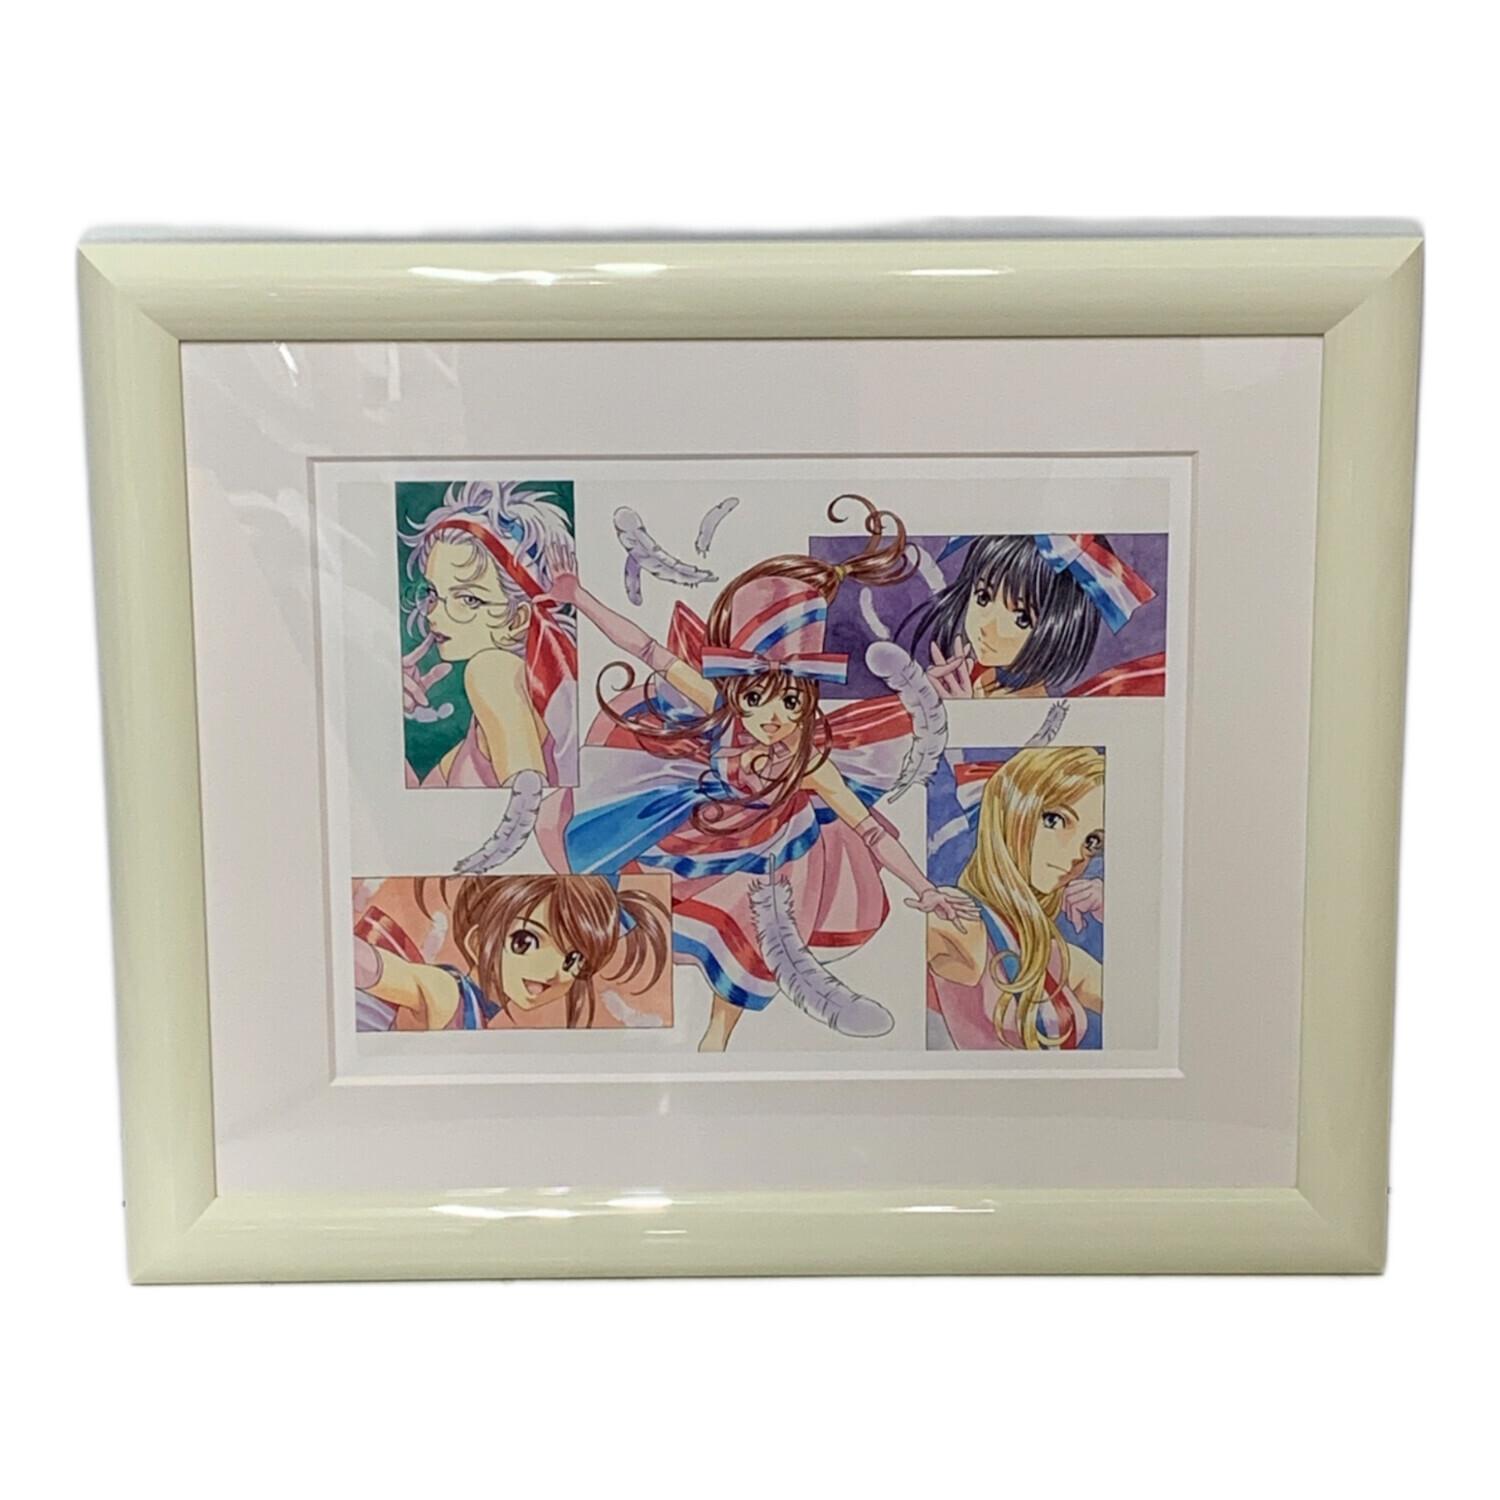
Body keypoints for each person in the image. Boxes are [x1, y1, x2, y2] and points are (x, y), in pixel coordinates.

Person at [552, 495, 979, 1051]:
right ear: (737, 691)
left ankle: (719, 1031)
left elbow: (872, 832)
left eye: (791, 701)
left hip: (775, 852)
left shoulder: (810, 760)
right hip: (698, 825)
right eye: (757, 698)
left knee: (754, 914)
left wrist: (925, 888)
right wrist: (579, 598)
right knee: (628, 884)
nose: (772, 717)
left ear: (808, 701)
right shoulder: (716, 706)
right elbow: (645, 647)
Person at [926, 746, 1106, 1050]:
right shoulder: (964, 923)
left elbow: (1144, 1010)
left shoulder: (1055, 955)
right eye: (1055, 820)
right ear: (1012, 813)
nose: (1078, 855)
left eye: (1092, 841)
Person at [401, 481, 579, 787]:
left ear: (519, 618)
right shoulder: (488, 724)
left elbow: (527, 795)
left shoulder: (492, 669)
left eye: (468, 599)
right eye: (432, 593)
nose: (433, 614)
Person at [353, 874, 668, 1031]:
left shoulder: (479, 1011)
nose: (553, 971)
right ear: (478, 942)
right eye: (525, 942)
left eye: (573, 960)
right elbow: (381, 970)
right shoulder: (448, 993)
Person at [901, 533, 1161, 699]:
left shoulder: (1034, 709)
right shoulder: (976, 681)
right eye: (983, 597)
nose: (987, 625)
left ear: (1062, 628)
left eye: (1021, 618)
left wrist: (962, 720)